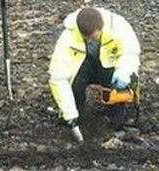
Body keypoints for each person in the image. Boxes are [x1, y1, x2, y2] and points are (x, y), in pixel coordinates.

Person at [49, 7, 141, 140]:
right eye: (86, 39)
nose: (90, 41)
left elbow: (131, 52)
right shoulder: (68, 36)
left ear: (101, 28)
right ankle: (77, 114)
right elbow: (58, 77)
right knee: (74, 82)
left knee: (125, 85)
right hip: (84, 68)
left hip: (109, 67)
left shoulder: (118, 26)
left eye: (93, 37)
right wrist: (69, 114)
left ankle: (119, 118)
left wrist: (124, 72)